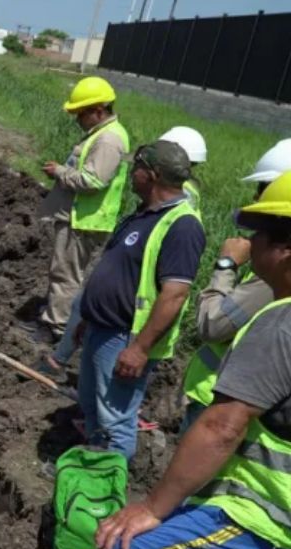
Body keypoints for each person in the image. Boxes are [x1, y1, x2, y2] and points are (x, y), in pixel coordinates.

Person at [95, 170, 291, 549]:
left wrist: (151, 507)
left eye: (258, 233)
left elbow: (222, 426)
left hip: (265, 514)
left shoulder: (280, 321)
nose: (250, 242)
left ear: (284, 250)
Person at [39, 126, 210, 379]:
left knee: (82, 306)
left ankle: (60, 360)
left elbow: (174, 289)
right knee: (83, 305)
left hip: (133, 301)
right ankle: (67, 362)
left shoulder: (180, 204)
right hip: (125, 278)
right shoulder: (175, 194)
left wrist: (140, 348)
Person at [74, 140, 205, 461]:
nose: (131, 174)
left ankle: (109, 494)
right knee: (92, 405)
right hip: (102, 329)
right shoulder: (144, 214)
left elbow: (174, 294)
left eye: (137, 169)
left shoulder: (183, 225)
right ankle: (93, 472)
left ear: (153, 175)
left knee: (115, 419)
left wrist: (140, 348)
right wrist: (87, 318)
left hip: (125, 337)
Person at [177, 140, 291, 434]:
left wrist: (226, 265)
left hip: (222, 402)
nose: (256, 198)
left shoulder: (273, 278)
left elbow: (211, 324)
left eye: (264, 189)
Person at [30, 76, 131, 345]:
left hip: (85, 219)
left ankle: (55, 327)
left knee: (66, 274)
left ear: (98, 110)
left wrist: (61, 172)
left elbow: (93, 181)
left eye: (81, 113)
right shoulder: (102, 134)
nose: (77, 119)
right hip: (81, 216)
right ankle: (57, 316)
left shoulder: (109, 140)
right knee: (63, 271)